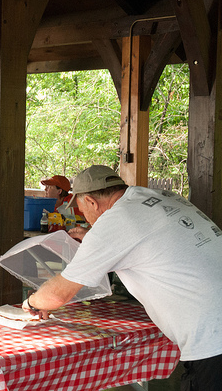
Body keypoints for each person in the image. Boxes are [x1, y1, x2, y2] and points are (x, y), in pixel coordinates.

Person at [23, 165, 222, 390]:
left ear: (90, 201)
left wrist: (32, 302)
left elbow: (59, 294)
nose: (85, 219)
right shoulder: (157, 197)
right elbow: (149, 239)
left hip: (213, 338)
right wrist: (94, 240)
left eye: (81, 209)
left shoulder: (116, 220)